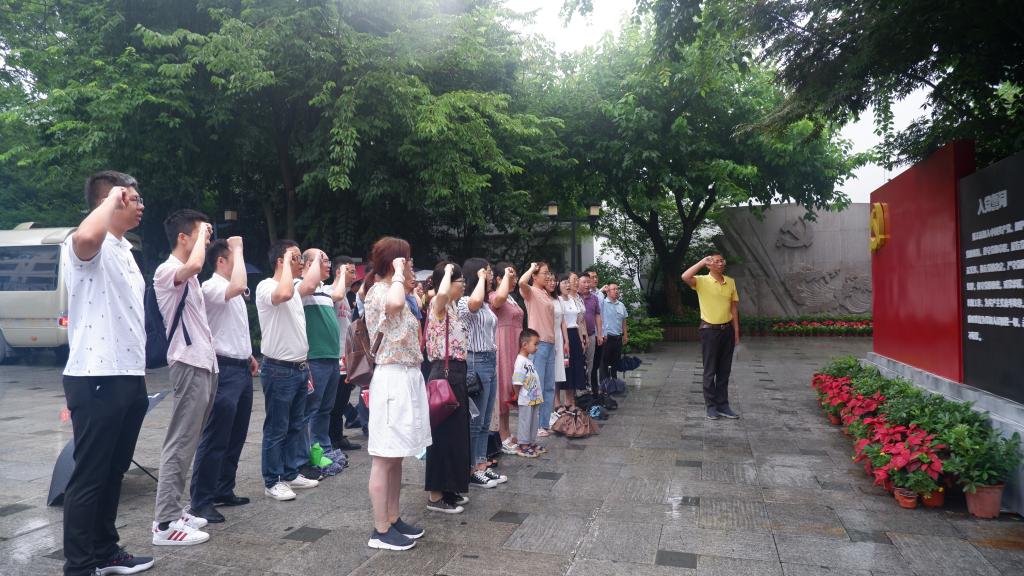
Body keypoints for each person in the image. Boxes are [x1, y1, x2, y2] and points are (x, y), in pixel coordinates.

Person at [60, 171, 154, 575]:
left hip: (128, 374)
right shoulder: (83, 242)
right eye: (132, 198)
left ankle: (105, 551)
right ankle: (79, 566)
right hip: (96, 374)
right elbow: (86, 237)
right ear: (109, 201)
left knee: (115, 470)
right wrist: (112, 198)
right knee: (90, 475)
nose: (140, 205)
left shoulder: (125, 250)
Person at [151, 209, 218, 547]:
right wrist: (204, 237)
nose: (207, 239)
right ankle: (164, 524)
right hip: (187, 363)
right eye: (201, 233)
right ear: (183, 237)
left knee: (188, 441)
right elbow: (194, 265)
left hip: (203, 363)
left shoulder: (188, 277)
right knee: (179, 442)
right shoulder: (167, 270)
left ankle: (176, 511)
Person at [363, 237, 431, 551]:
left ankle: (392, 518)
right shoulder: (380, 291)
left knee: (397, 455)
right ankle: (380, 530)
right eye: (407, 260)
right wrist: (400, 274)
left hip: (407, 376)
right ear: (395, 262)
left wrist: (403, 280)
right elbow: (392, 305)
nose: (412, 265)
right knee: (383, 456)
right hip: (391, 377)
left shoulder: (398, 290)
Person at [189, 238, 258, 525]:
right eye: (234, 258)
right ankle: (201, 501)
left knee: (236, 434)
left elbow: (232, 328)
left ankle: (223, 489)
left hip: (240, 367)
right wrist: (238, 247)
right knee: (216, 437)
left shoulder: (232, 289)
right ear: (221, 261)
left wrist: (248, 354)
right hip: (224, 369)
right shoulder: (212, 286)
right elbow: (239, 286)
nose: (239, 263)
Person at [256, 241, 322, 502]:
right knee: (277, 428)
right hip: (278, 369)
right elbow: (282, 294)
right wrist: (286, 258)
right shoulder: (267, 286)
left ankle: (290, 472)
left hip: (299, 367)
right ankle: (273, 480)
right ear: (280, 261)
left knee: (296, 425)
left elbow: (311, 283)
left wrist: (317, 256)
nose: (300, 262)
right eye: (295, 257)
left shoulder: (294, 287)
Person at [425, 261, 481, 510]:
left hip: (456, 372)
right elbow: (441, 294)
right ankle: (436, 495)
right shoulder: (438, 305)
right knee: (442, 435)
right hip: (444, 374)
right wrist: (447, 272)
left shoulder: (454, 308)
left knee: (456, 435)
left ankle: (449, 488)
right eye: (460, 281)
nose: (463, 285)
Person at [295, 248, 346, 480]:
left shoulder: (324, 290)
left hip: (331, 357)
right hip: (314, 357)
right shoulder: (300, 285)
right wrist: (315, 259)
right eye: (323, 260)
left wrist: (341, 274)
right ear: (308, 264)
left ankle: (323, 448)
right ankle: (309, 453)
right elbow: (308, 284)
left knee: (326, 408)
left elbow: (339, 293)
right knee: (312, 409)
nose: (328, 264)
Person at [458, 258, 508, 485]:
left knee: (486, 419)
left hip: (489, 359)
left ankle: (481, 463)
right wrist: (480, 278)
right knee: (476, 420)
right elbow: (474, 302)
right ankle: (470, 468)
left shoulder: (487, 304)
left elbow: (492, 298)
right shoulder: (464, 301)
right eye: (487, 272)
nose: (490, 276)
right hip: (476, 360)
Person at [681, 254, 741, 420]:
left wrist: (736, 332)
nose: (720, 263)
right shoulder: (701, 281)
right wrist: (702, 261)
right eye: (716, 261)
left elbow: (734, 309)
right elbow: (685, 276)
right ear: (709, 265)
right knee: (710, 370)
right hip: (709, 331)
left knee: (724, 370)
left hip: (727, 330)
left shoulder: (730, 282)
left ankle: (723, 405)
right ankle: (711, 406)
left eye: (722, 260)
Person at [518, 262, 557, 437]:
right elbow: (521, 282)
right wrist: (531, 268)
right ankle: (535, 424)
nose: (548, 276)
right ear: (534, 276)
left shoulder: (545, 293)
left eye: (549, 273)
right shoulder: (531, 292)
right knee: (537, 386)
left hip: (550, 343)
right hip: (538, 344)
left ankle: (544, 423)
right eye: (544, 273)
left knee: (549, 386)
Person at [490, 263, 523, 455]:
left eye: (515, 276)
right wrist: (506, 276)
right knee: (503, 388)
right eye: (511, 276)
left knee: (511, 387)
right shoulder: (493, 295)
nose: (514, 280)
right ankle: (502, 435)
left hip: (515, 346)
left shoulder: (512, 298)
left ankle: (507, 431)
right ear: (498, 279)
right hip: (503, 345)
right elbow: (498, 300)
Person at [329, 255, 361, 450]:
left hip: (345, 355)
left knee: (342, 400)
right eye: (350, 271)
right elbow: (337, 295)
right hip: (335, 356)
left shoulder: (347, 297)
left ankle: (337, 436)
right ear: (339, 272)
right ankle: (332, 440)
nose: (354, 276)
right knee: (333, 402)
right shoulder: (329, 292)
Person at [556, 272, 587, 406]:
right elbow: (560, 322)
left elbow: (577, 321)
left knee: (575, 367)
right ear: (558, 285)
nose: (567, 285)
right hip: (564, 336)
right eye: (564, 283)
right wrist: (565, 340)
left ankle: (570, 401)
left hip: (575, 334)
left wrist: (581, 340)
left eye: (568, 282)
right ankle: (557, 403)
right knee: (563, 368)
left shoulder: (573, 299)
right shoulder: (557, 300)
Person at [513, 329, 543, 458]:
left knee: (533, 421)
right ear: (525, 345)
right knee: (525, 421)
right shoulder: (520, 361)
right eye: (535, 344)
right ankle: (523, 444)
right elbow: (517, 381)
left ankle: (531, 442)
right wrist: (517, 395)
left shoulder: (528, 360)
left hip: (534, 397)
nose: (537, 347)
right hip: (526, 398)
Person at [599, 284, 629, 384]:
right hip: (607, 337)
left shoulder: (621, 305)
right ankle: (604, 383)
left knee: (615, 361)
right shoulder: (603, 303)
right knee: (604, 362)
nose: (616, 291)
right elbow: (595, 297)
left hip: (618, 337)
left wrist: (625, 335)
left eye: (617, 289)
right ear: (607, 292)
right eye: (614, 289)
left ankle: (614, 382)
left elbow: (624, 321)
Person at [579, 274, 603, 396]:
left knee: (591, 363)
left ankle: (589, 387)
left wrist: (600, 334)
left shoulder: (594, 298)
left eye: (588, 282)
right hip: (578, 336)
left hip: (591, 335)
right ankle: (579, 389)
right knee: (579, 362)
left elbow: (598, 316)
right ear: (578, 283)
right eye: (584, 282)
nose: (587, 284)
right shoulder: (575, 297)